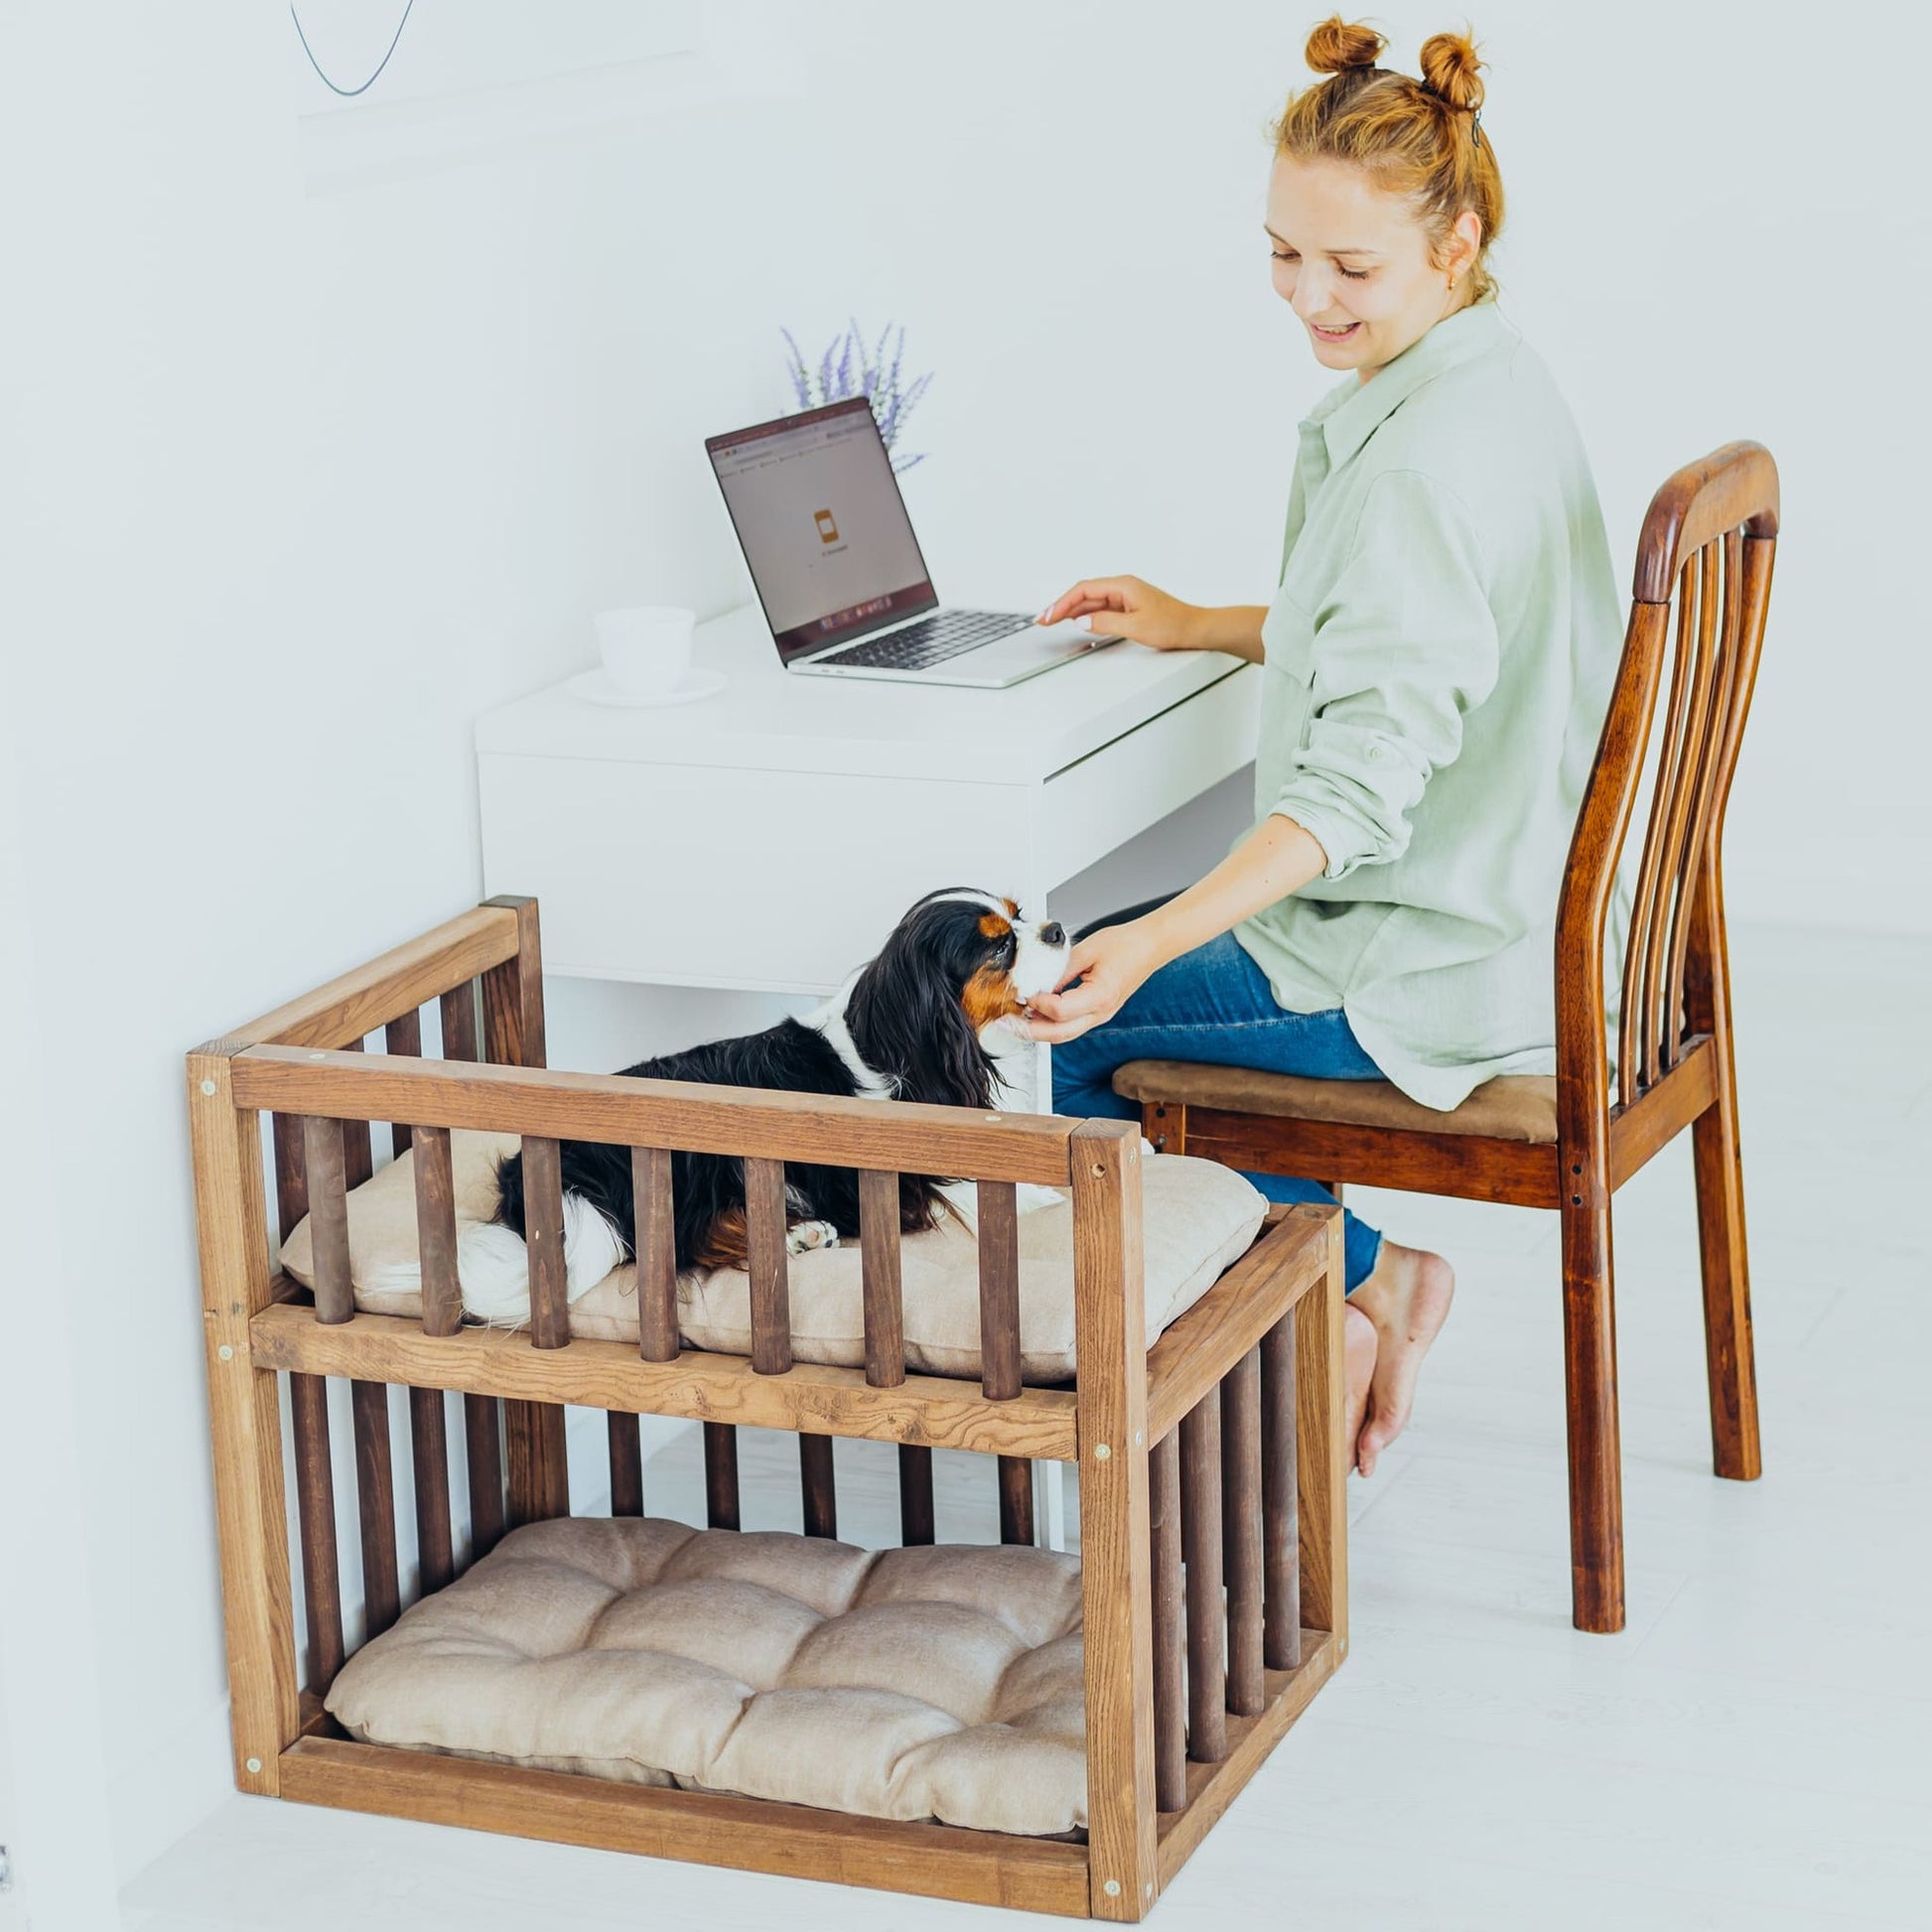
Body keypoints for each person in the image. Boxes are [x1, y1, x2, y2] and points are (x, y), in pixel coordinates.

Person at [1028, 17, 1624, 1477]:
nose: (1310, 297)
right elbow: (1411, 638)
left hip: (1426, 961)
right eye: (1284, 255)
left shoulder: (1422, 461)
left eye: (1350, 268)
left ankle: (1356, 1278)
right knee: (1106, 957)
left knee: (1049, 1038)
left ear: (1455, 238)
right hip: (1517, 907)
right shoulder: (1489, 375)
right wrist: (1208, 621)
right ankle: (1364, 1273)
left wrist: (1153, 938)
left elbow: (1350, 794)